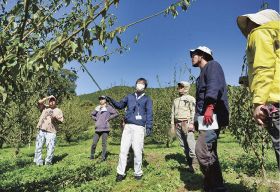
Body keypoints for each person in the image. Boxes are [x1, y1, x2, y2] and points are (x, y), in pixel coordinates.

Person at [237, 9, 280, 169]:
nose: (247, 29)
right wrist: (250, 81)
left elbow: (264, 67)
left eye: (249, 22)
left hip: (275, 103)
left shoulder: (260, 33)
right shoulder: (275, 36)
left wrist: (258, 102)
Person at [190, 46, 229, 192]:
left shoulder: (213, 65)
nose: (192, 57)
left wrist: (210, 107)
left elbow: (215, 86)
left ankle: (215, 185)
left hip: (211, 115)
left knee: (202, 150)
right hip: (205, 117)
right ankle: (214, 185)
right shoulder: (200, 76)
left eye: (194, 54)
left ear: (202, 55)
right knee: (210, 151)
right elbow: (199, 101)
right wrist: (195, 120)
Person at [106, 77, 153, 182]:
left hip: (139, 127)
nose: (139, 85)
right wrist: (111, 100)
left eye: (142, 84)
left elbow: (149, 113)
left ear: (145, 87)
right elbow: (119, 105)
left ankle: (138, 172)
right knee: (123, 150)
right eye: (138, 83)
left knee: (137, 151)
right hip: (127, 127)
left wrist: (149, 126)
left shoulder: (147, 99)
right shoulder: (129, 97)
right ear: (135, 85)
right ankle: (120, 173)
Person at [171, 81, 196, 173]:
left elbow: (193, 111)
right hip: (178, 124)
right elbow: (172, 113)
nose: (179, 88)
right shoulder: (176, 100)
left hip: (186, 123)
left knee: (191, 143)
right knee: (183, 144)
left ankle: (196, 163)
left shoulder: (191, 99)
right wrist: (172, 125)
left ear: (186, 88)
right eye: (179, 87)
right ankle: (190, 164)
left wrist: (192, 123)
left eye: (181, 87)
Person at [34, 95, 64, 165]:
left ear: (55, 102)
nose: (52, 102)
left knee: (50, 148)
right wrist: (47, 97)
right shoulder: (44, 107)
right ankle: (38, 163)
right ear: (49, 102)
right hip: (42, 130)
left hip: (51, 132)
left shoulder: (58, 110)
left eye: (53, 100)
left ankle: (48, 163)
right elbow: (39, 102)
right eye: (50, 100)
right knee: (38, 147)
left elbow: (61, 121)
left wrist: (55, 119)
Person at [90, 95, 119, 161]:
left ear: (105, 100)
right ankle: (92, 155)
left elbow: (116, 113)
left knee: (104, 144)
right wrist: (96, 119)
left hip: (105, 128)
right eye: (100, 99)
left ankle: (103, 157)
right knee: (94, 143)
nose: (101, 100)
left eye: (102, 99)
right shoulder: (97, 107)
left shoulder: (108, 107)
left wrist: (109, 118)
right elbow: (92, 114)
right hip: (97, 128)